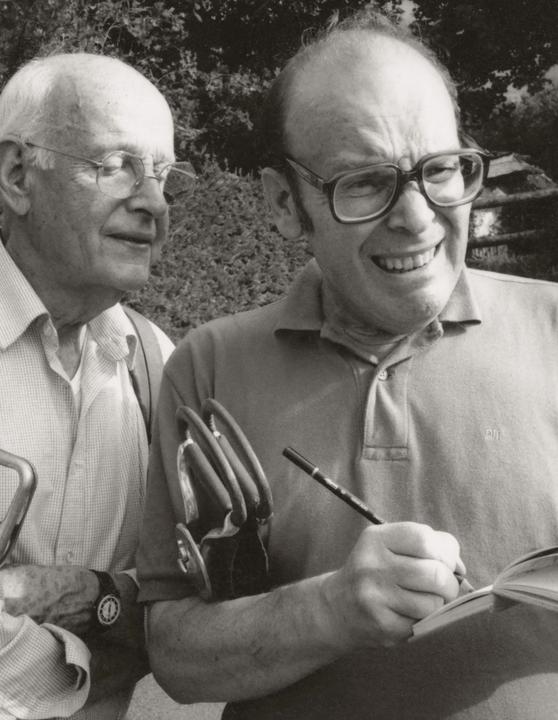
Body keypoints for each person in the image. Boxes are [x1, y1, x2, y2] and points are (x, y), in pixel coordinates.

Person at [137, 8, 558, 720]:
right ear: (284, 203)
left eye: (441, 169)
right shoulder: (207, 369)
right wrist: (328, 610)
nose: (417, 217)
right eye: (364, 183)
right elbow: (175, 659)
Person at [0, 52, 192, 718]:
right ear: (17, 175)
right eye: (117, 165)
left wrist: (96, 598)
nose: (155, 203)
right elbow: (161, 632)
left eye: (164, 175)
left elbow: (193, 597)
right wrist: (115, 649)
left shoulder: (157, 363)